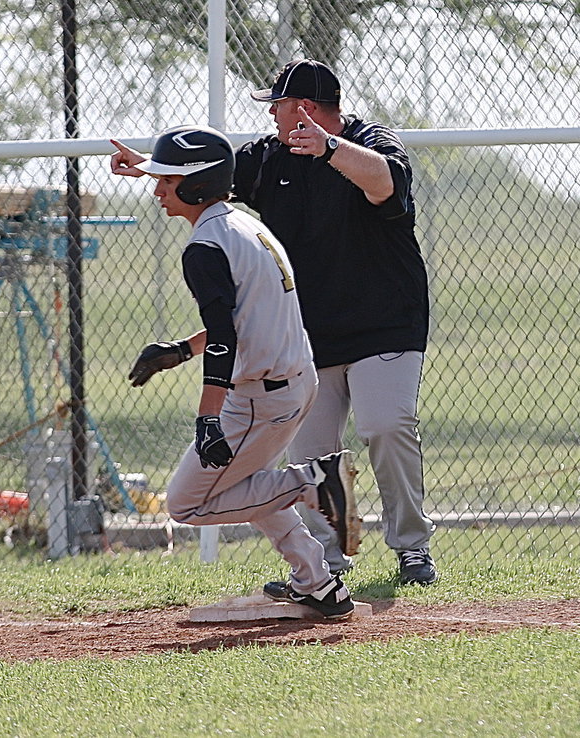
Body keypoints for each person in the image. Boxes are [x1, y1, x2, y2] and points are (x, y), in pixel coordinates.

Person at [110, 125, 360, 618]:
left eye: (166, 179)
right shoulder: (244, 225)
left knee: (189, 505)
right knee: (248, 483)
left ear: (196, 185)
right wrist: (182, 350)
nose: (156, 189)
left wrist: (208, 417)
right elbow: (243, 317)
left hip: (259, 398)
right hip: (291, 380)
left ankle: (314, 480)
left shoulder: (204, 247)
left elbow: (226, 339)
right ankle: (318, 583)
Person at [232, 59, 439, 585]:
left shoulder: (372, 143)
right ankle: (326, 562)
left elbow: (386, 182)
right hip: (311, 334)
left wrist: (327, 148)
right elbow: (210, 177)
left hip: (383, 325)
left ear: (303, 109)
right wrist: (150, 165)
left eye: (277, 105)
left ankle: (412, 548)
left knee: (385, 426)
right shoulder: (267, 159)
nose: (273, 115)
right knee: (311, 454)